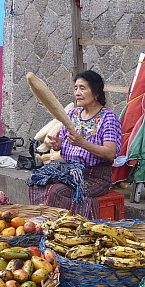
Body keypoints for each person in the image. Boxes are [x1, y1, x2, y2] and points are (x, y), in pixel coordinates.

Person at [27, 70, 121, 218]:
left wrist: (82, 143)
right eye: (76, 88)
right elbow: (65, 143)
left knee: (55, 191)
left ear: (96, 93)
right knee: (36, 182)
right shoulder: (73, 114)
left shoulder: (108, 118)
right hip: (69, 171)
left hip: (95, 177)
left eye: (82, 88)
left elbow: (110, 153)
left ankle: (63, 229)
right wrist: (57, 144)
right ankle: (43, 224)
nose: (77, 92)